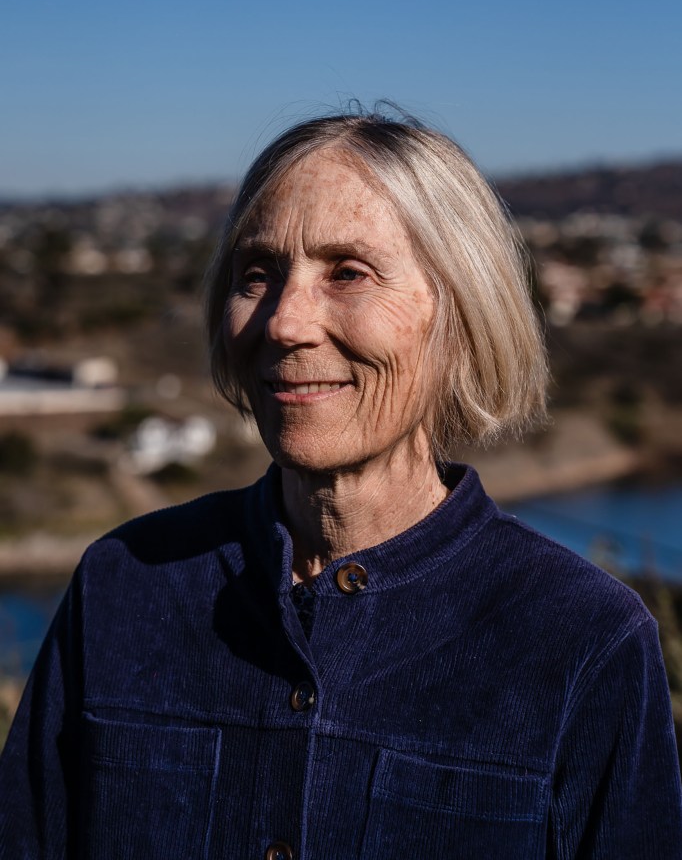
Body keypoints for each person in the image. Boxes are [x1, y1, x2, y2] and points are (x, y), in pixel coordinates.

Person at [1, 109, 680, 859]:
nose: (286, 322)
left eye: (348, 272)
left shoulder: (585, 642)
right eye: (256, 274)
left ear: (459, 315)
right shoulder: (123, 586)